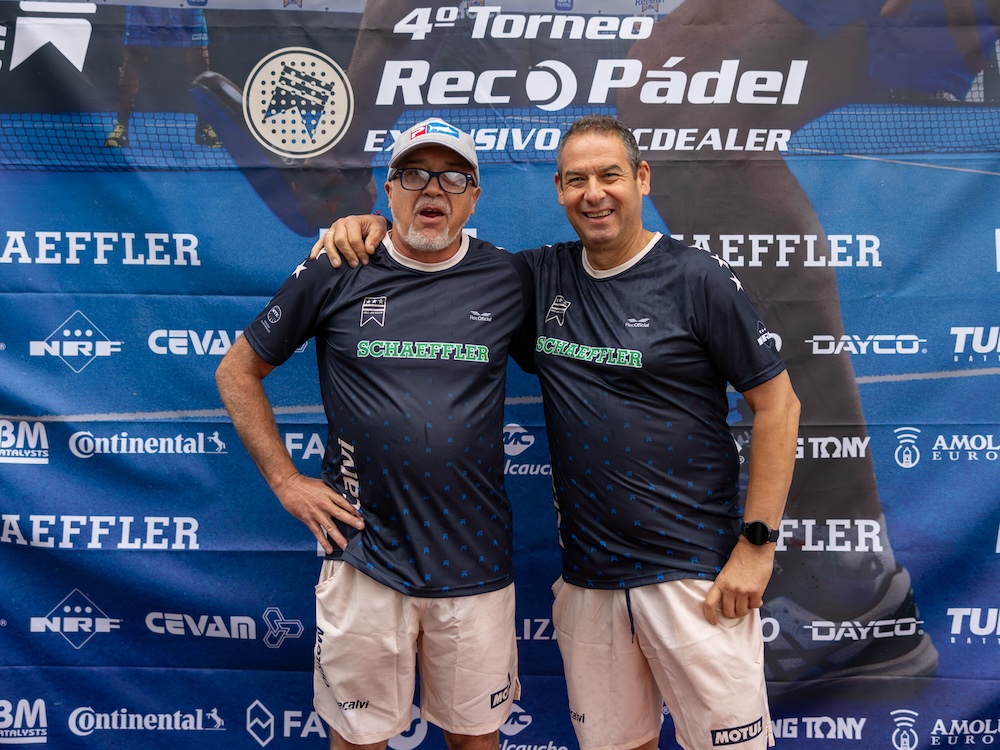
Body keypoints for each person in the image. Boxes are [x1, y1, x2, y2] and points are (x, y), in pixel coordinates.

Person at [322, 114, 801, 750]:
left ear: (642, 178)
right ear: (558, 189)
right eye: (577, 180)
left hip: (696, 575)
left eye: (610, 175)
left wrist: (758, 546)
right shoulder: (536, 276)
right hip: (589, 580)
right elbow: (437, 250)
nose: (594, 193)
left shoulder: (698, 277)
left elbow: (779, 406)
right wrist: (372, 226)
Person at [216, 117, 533, 750]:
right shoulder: (337, 265)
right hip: (363, 556)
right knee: (359, 740)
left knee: (474, 739)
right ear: (388, 192)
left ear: (474, 197)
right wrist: (285, 481)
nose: (432, 189)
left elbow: (583, 351)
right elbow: (236, 371)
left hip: (475, 561)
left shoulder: (510, 277)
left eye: (452, 177)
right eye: (414, 174)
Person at [104, 5, 220, 148]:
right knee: (133, 61)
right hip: (146, 7)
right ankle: (121, 127)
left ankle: (204, 126)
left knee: (200, 61)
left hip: (185, 8)